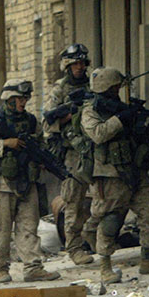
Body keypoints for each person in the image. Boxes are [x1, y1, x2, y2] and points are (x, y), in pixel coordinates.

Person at [80, 67, 149, 283]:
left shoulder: (121, 107)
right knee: (111, 219)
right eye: (115, 87)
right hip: (109, 174)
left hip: (133, 170)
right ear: (106, 88)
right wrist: (120, 118)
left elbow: (136, 138)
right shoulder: (91, 110)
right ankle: (105, 267)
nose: (118, 91)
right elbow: (98, 134)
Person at [0, 79, 61, 283]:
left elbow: (40, 143)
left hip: (28, 181)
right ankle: (0, 269)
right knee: (3, 229)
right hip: (3, 184)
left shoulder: (31, 121)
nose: (23, 102)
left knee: (29, 226)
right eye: (19, 99)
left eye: (25, 98)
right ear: (9, 99)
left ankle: (33, 267)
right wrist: (6, 143)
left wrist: (41, 160)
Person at [42, 44, 97, 266]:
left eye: (82, 63)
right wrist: (71, 115)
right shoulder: (59, 90)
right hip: (74, 151)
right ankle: (74, 247)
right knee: (73, 200)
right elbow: (48, 121)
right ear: (67, 66)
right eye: (75, 64)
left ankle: (98, 239)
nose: (79, 67)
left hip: (96, 145)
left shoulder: (93, 84)